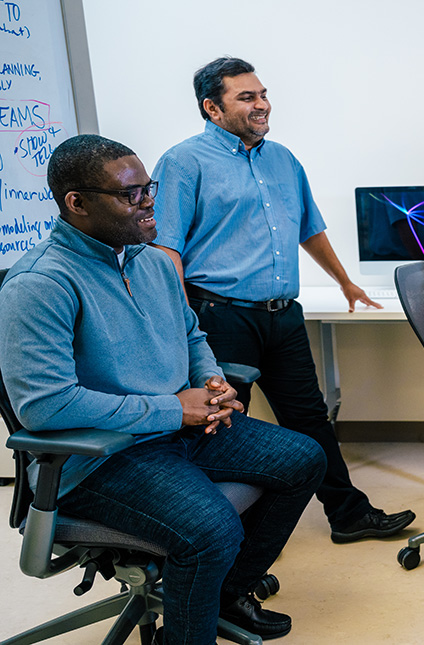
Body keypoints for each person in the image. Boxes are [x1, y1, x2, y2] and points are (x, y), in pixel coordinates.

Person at [0, 134, 327, 644]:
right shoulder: (40, 284)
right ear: (77, 203)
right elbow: (44, 406)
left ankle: (224, 595)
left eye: (148, 188)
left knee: (303, 457)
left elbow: (192, 335)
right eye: (130, 195)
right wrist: (172, 410)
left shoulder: (150, 261)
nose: (149, 202)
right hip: (100, 456)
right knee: (211, 530)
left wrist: (210, 383)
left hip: (176, 430)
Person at [151, 57, 415, 544]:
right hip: (218, 316)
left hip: (281, 316)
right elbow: (166, 249)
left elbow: (308, 229)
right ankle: (225, 533)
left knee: (309, 417)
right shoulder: (183, 163)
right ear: (212, 108)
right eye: (246, 97)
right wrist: (179, 322)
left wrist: (345, 282)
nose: (262, 105)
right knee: (225, 428)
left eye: (263, 94)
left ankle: (348, 514)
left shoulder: (283, 159)